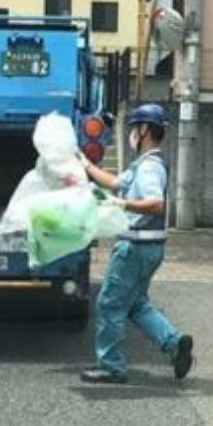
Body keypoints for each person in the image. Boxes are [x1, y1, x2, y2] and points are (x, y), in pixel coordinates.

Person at [79, 103, 194, 384]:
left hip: (135, 248)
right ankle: (174, 342)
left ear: (143, 130)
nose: (131, 134)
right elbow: (116, 183)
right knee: (136, 304)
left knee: (109, 303)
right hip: (150, 247)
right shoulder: (145, 164)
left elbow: (155, 203)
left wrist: (122, 204)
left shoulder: (149, 168)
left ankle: (111, 366)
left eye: (134, 128)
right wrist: (86, 166)